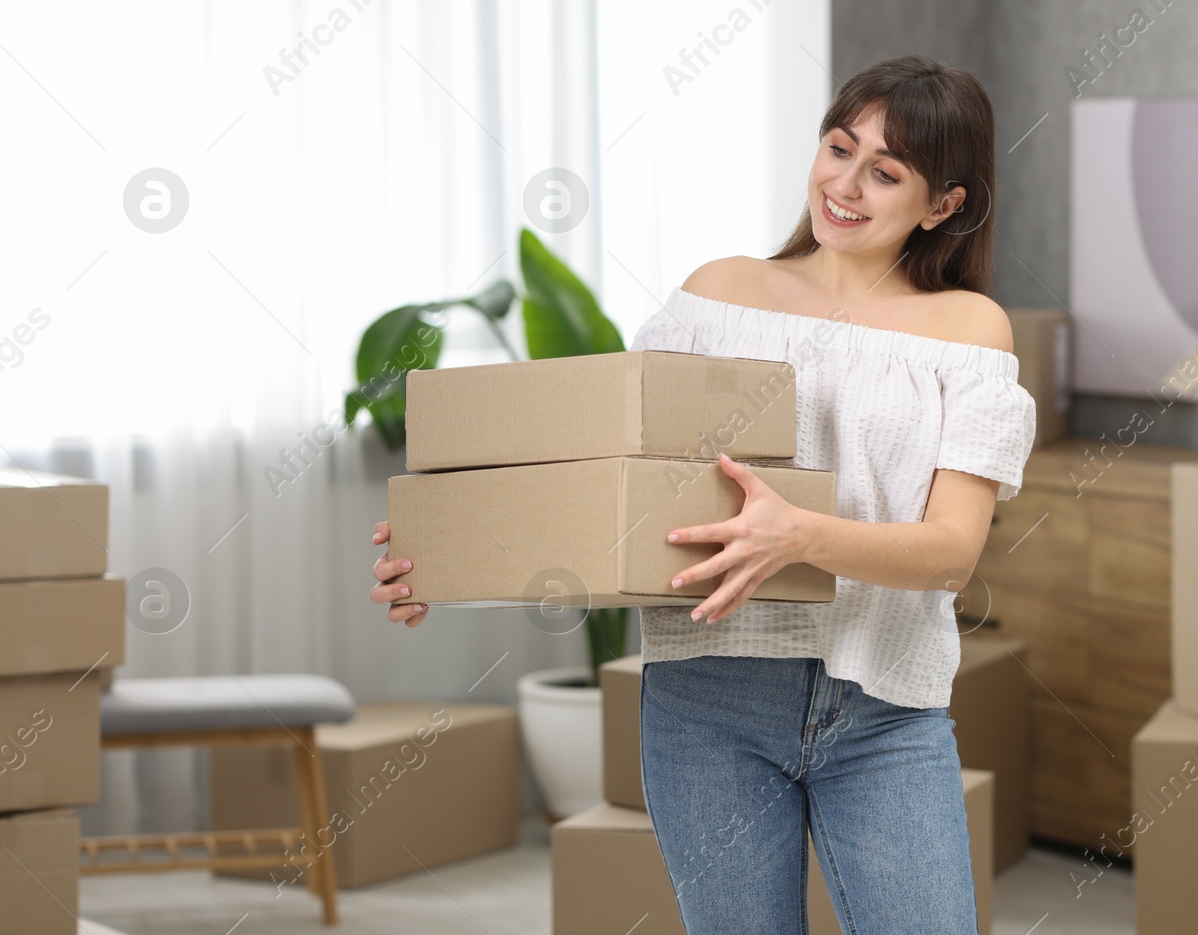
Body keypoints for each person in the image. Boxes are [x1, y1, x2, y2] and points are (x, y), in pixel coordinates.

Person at [370, 54, 1036, 934]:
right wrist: (449, 556)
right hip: (711, 700)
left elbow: (952, 552)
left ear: (942, 204)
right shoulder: (716, 295)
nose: (846, 184)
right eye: (839, 148)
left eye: (886, 172)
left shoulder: (968, 330)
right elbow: (607, 477)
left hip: (884, 707)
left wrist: (797, 535)